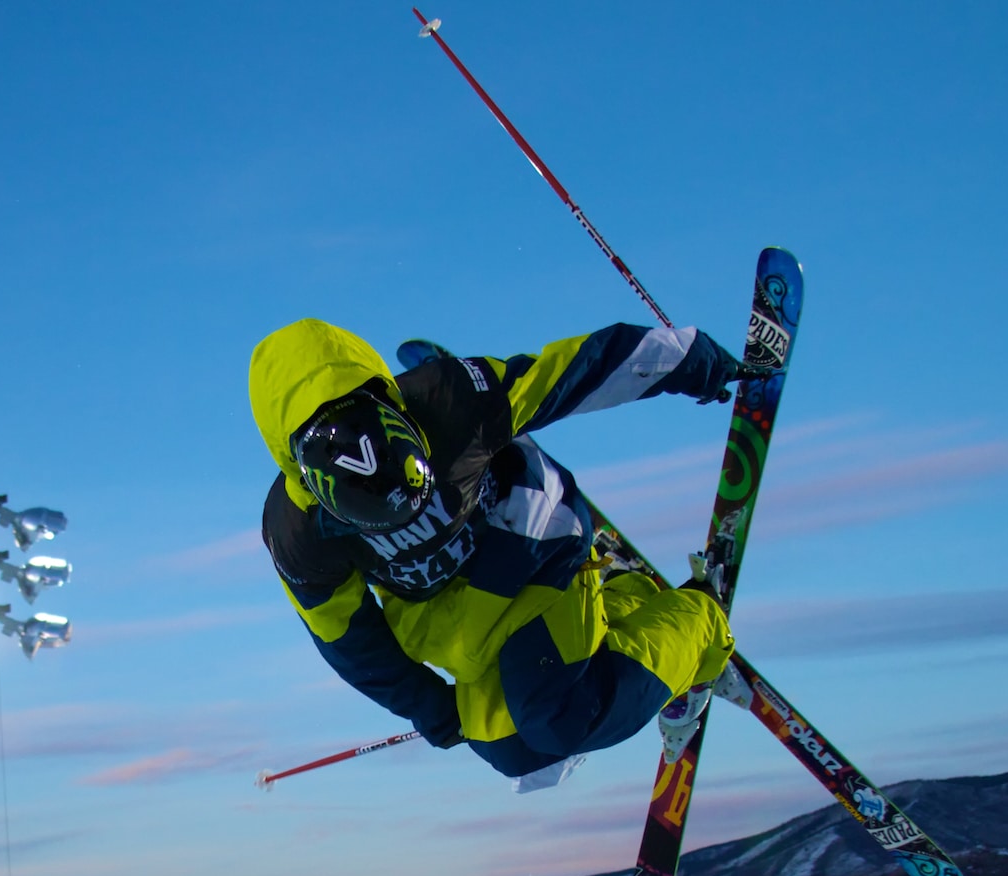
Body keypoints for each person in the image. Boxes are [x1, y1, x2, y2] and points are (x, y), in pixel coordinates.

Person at [251, 318, 741, 782]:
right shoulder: (297, 535)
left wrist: (686, 359)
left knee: (560, 720)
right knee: (516, 753)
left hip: (529, 552)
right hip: (457, 621)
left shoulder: (451, 400)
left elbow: (571, 372)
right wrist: (427, 705)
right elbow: (348, 641)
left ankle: (701, 619)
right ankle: (623, 602)